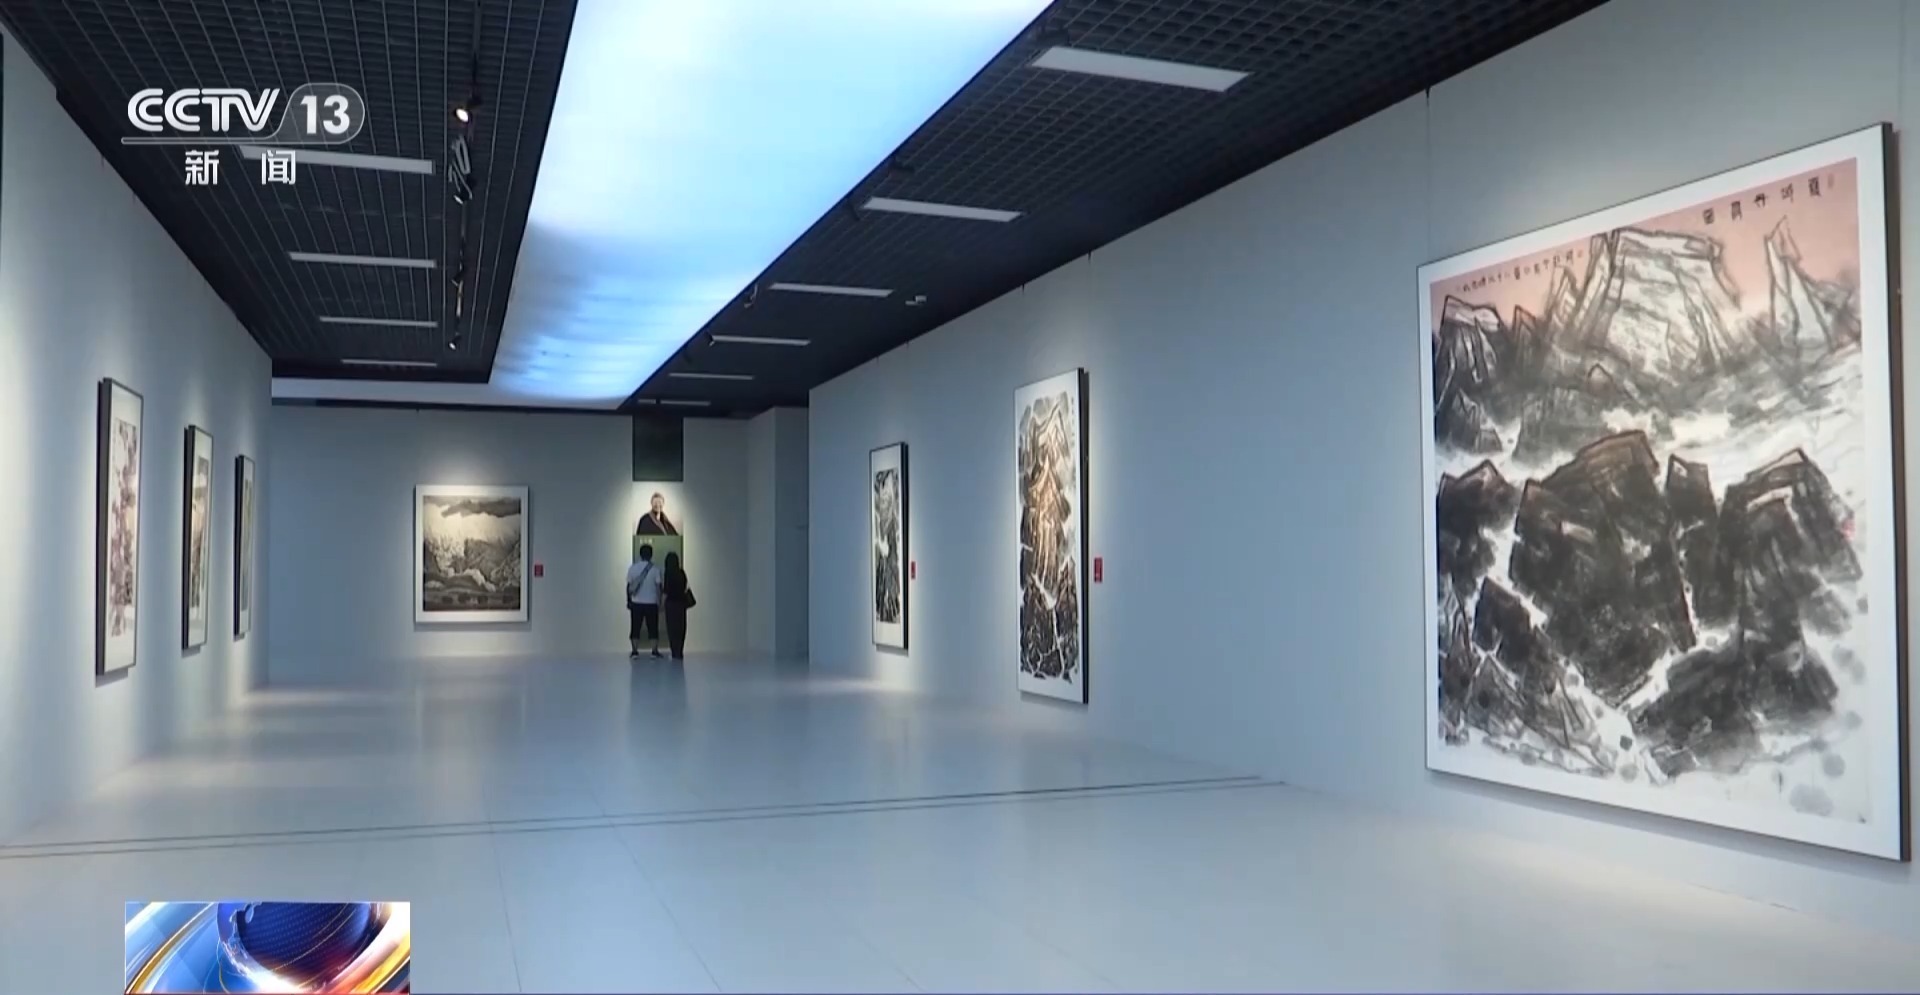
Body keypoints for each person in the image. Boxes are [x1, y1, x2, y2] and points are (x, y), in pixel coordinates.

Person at [625, 543, 663, 659]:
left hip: (636, 602)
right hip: (651, 603)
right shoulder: (655, 569)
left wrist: (628, 600)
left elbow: (629, 586)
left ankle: (634, 651)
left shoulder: (632, 568)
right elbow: (658, 587)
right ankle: (654, 651)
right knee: (653, 628)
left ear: (640, 555)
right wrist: (659, 601)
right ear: (651, 555)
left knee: (635, 627)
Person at [662, 551, 693, 660]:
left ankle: (674, 650)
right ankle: (680, 650)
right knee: (681, 627)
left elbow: (666, 590)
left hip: (671, 604)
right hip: (681, 603)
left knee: (672, 628)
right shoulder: (681, 573)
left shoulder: (668, 573)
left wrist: (661, 604)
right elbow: (685, 587)